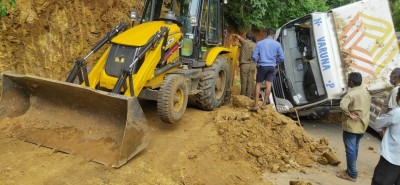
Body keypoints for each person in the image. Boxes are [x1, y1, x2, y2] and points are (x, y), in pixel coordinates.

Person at [336, 72, 371, 182]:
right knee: (354, 148)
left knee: (350, 150)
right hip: (363, 125)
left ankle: (352, 174)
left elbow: (342, 105)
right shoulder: (366, 92)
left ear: (351, 82)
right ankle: (350, 170)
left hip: (352, 126)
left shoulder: (351, 94)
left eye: (348, 80)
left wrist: (349, 114)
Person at [250, 28, 284, 111]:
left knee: (258, 84)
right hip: (272, 67)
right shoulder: (277, 44)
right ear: (273, 35)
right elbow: (282, 58)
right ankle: (264, 105)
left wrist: (258, 61)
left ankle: (256, 105)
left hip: (262, 66)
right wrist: (276, 61)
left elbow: (254, 57)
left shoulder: (260, 43)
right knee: (268, 85)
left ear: (266, 34)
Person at [371, 88, 400, 185]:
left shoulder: (396, 113)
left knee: (380, 182)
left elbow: (378, 123)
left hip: (391, 158)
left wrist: (382, 131)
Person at [232, 32, 257, 99]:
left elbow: (238, 37)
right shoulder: (255, 45)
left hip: (245, 65)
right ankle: (249, 96)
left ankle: (242, 96)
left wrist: (234, 35)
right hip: (252, 65)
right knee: (250, 81)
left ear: (246, 37)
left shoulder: (245, 42)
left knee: (244, 81)